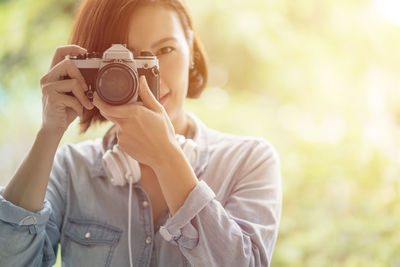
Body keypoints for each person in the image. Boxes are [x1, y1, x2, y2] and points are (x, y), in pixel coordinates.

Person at [0, 0, 282, 266]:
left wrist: (167, 159)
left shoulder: (249, 160)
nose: (151, 75)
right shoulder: (71, 169)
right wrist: (49, 134)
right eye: (128, 60)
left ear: (192, 53)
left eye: (165, 50)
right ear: (95, 71)